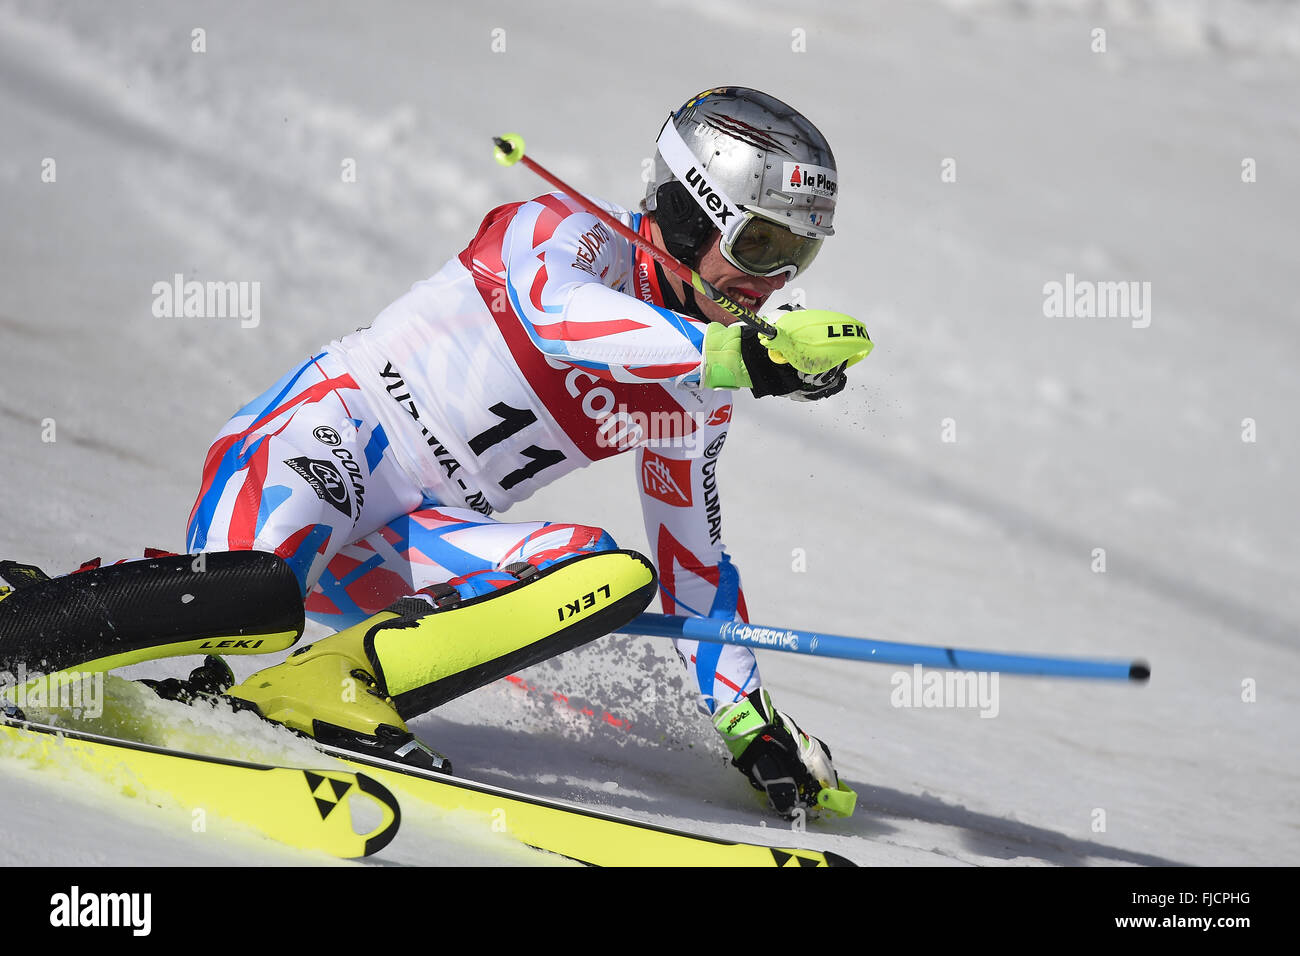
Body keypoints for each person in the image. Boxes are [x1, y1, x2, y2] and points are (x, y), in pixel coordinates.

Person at [184, 86, 867, 818]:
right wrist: (729, 354)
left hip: (402, 551)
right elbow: (556, 316)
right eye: (757, 245)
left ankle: (337, 681)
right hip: (319, 447)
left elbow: (692, 564)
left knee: (596, 572)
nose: (771, 285)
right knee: (250, 598)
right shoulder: (567, 233)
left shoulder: (695, 395)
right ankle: (84, 610)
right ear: (687, 213)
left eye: (797, 256)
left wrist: (748, 725)